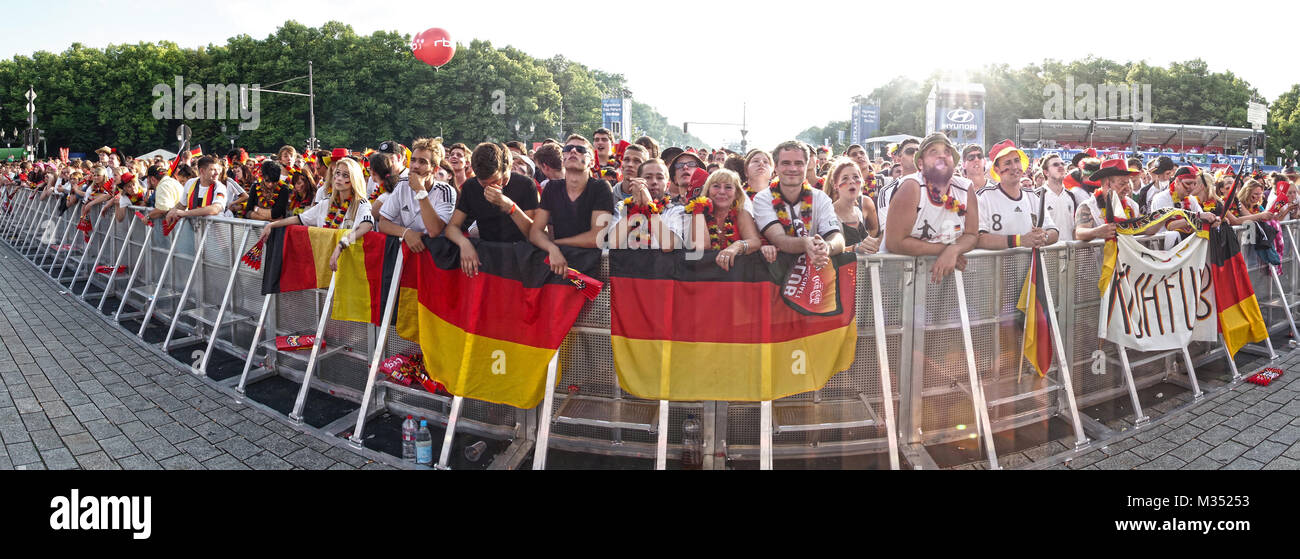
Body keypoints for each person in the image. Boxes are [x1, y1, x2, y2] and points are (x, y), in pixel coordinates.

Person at [883, 133, 978, 284]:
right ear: (920, 163)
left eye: (947, 152)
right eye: (933, 152)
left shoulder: (966, 188)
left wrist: (954, 250)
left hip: (945, 284)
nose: (942, 156)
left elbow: (972, 235)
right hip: (903, 282)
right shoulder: (911, 186)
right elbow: (895, 242)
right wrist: (944, 250)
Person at [257, 158, 375, 271]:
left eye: (345, 175)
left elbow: (366, 225)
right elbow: (299, 218)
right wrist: (271, 226)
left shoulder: (361, 204)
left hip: (351, 266)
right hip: (326, 264)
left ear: (354, 178)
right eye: (337, 173)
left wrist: (342, 244)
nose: (339, 178)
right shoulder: (326, 203)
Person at [443, 142, 541, 276]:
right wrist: (464, 243)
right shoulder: (471, 186)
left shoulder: (525, 185)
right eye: (484, 184)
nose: (491, 187)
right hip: (487, 260)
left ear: (509, 168)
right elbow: (452, 227)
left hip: (520, 260)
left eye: (496, 181)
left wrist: (511, 207)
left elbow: (538, 235)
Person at [529, 134, 615, 275]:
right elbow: (535, 232)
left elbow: (597, 238)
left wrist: (557, 243)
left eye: (580, 149)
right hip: (559, 266)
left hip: (592, 268)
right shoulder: (552, 187)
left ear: (592, 162)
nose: (573, 151)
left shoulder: (601, 187)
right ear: (563, 160)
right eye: (568, 148)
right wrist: (552, 249)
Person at [751, 140, 844, 270]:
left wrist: (827, 247)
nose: (792, 168)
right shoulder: (762, 198)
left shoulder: (821, 198)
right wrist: (806, 243)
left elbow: (837, 237)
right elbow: (779, 239)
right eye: (786, 163)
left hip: (814, 278)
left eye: (799, 163)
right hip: (775, 277)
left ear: (807, 166)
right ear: (776, 167)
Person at [376, 137, 458, 254]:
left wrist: (420, 190)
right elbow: (383, 223)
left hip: (435, 256)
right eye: (413, 160)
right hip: (408, 254)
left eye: (422, 162)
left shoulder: (445, 191)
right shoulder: (402, 184)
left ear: (434, 169)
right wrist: (407, 233)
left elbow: (434, 231)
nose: (415, 166)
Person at [975, 140, 1058, 250]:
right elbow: (978, 239)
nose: (1014, 167)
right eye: (1008, 163)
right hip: (995, 266)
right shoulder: (983, 196)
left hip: (1028, 266)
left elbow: (1054, 231)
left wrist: (1043, 237)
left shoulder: (1033, 196)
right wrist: (1020, 240)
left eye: (1017, 161)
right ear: (997, 169)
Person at [682, 169, 769, 271]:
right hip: (703, 276)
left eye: (728, 187)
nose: (722, 191)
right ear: (707, 191)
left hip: (734, 278)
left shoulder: (741, 213)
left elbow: (755, 241)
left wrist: (737, 246)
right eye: (716, 186)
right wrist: (698, 211)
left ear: (736, 194)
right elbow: (702, 246)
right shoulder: (697, 213)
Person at [825, 157, 880, 255]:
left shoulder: (857, 211)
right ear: (835, 185)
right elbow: (824, 250)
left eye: (856, 177)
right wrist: (855, 248)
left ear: (862, 182)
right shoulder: (829, 214)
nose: (852, 181)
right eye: (845, 178)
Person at [166, 156, 227, 226]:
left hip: (215, 232)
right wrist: (172, 211)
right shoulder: (190, 183)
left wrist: (184, 213)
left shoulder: (220, 187)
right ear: (202, 171)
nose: (217, 173)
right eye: (213, 170)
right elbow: (182, 204)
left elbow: (215, 209)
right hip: (197, 232)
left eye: (218, 170)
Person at [1035, 153, 1080, 242]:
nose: (1060, 166)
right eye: (1055, 165)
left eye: (1062, 164)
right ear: (1046, 172)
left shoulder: (1071, 195)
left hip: (1069, 250)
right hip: (1047, 252)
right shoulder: (1037, 196)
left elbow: (1074, 228)